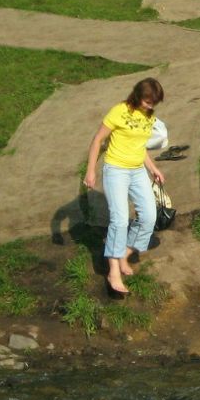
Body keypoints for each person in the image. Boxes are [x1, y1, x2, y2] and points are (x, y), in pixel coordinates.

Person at [82, 79, 167, 295]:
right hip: (116, 170)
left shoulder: (148, 116)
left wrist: (153, 168)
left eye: (154, 103)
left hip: (138, 170)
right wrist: (91, 170)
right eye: (148, 101)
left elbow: (140, 146)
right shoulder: (119, 111)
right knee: (119, 220)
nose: (151, 106)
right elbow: (97, 140)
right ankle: (113, 271)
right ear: (138, 95)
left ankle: (123, 253)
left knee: (149, 216)